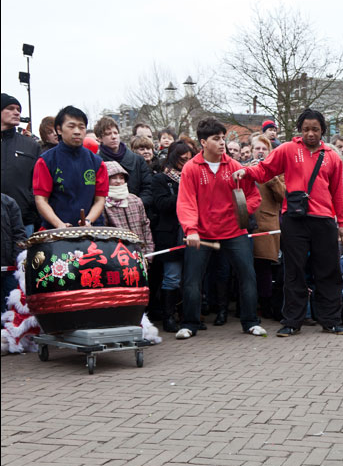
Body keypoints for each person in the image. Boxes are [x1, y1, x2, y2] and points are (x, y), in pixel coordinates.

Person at [235, 108, 343, 337]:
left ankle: (331, 320)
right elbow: (265, 169)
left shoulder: (333, 157)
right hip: (294, 219)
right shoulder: (287, 149)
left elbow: (338, 191)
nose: (310, 133)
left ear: (322, 131)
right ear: (299, 130)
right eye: (306, 129)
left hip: (324, 219)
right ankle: (292, 321)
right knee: (293, 272)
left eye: (315, 129)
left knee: (328, 271)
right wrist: (246, 173)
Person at [175, 117, 266, 339]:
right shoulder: (191, 169)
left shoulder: (235, 166)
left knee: (248, 276)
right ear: (203, 143)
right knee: (192, 280)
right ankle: (189, 324)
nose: (222, 143)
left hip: (235, 232)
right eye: (217, 139)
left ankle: (251, 322)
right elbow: (186, 202)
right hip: (202, 233)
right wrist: (191, 229)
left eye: (223, 138)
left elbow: (254, 196)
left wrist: (242, 214)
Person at [33, 106, 109, 229]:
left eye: (81, 127)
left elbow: (100, 200)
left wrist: (88, 221)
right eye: (71, 126)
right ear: (59, 129)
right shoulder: (46, 161)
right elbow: (41, 199)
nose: (77, 131)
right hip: (55, 231)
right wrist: (59, 224)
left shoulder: (97, 162)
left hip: (91, 230)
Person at [152, 141, 193, 333]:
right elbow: (161, 204)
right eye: (182, 159)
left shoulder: (193, 177)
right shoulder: (161, 179)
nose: (185, 163)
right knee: (172, 277)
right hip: (170, 234)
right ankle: (168, 316)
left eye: (189, 159)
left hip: (191, 231)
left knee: (191, 278)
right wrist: (183, 192)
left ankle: (188, 315)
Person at [246, 134, 285, 320]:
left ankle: (266, 306)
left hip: (266, 226)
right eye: (257, 148)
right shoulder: (243, 169)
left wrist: (271, 178)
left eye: (264, 149)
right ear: (251, 150)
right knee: (246, 268)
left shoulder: (278, 173)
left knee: (264, 268)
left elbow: (284, 197)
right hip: (245, 226)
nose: (260, 152)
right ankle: (247, 306)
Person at [1, 93, 42, 234]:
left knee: (23, 257)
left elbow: (39, 181)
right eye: (11, 108)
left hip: (23, 221)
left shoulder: (31, 145)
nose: (16, 112)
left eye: (18, 109)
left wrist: (30, 203)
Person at [95, 117, 153, 210]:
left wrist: (136, 204)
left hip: (138, 211)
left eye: (115, 133)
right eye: (108, 134)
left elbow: (148, 188)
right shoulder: (96, 163)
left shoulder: (138, 160)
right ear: (99, 138)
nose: (113, 137)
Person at [103, 161, 154, 254]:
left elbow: (145, 225)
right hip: (117, 255)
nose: (118, 181)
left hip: (140, 252)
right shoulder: (102, 203)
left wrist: (149, 251)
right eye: (114, 178)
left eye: (121, 178)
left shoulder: (135, 200)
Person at [1, 193, 26, 304]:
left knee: (10, 308)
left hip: (8, 270)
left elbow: (19, 235)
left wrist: (15, 260)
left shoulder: (9, 203)